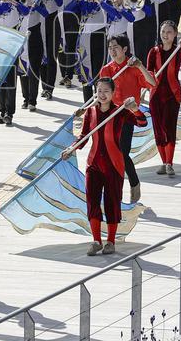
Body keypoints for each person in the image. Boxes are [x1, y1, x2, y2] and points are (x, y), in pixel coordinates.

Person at [62, 79, 146, 256]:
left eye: (106, 91)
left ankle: (111, 242)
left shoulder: (120, 112)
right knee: (92, 201)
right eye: (99, 91)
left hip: (114, 165)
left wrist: (134, 108)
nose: (102, 94)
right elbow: (84, 138)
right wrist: (71, 148)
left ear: (113, 92)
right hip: (94, 164)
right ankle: (96, 241)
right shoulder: (90, 112)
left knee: (111, 203)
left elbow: (142, 122)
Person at [98, 35, 155, 202]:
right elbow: (101, 95)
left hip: (127, 116)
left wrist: (141, 67)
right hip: (109, 116)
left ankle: (134, 183)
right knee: (107, 154)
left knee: (122, 153)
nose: (112, 51)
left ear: (124, 49)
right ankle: (110, 193)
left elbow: (152, 83)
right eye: (110, 48)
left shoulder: (134, 67)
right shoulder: (107, 70)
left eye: (116, 47)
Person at [146, 22, 181, 176]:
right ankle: (163, 162)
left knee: (169, 128)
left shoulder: (178, 51)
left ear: (175, 34)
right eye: (163, 31)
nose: (165, 34)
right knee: (158, 130)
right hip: (155, 95)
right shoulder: (153, 52)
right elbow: (148, 72)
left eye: (169, 32)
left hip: (172, 95)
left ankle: (169, 163)